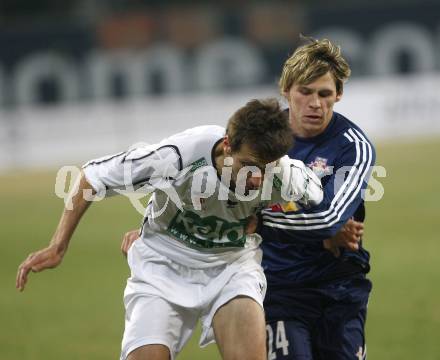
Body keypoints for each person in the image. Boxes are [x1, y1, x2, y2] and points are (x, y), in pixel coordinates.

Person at [16, 98, 323, 360]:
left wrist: (267, 220)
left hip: (231, 268)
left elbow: (320, 194)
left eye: (266, 169)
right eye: (248, 166)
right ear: (228, 145)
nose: (257, 179)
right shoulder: (177, 157)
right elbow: (93, 177)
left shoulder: (284, 174)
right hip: (163, 267)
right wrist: (58, 246)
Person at [261, 37, 376, 360]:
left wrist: (261, 223)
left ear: (338, 95)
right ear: (286, 90)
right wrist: (149, 229)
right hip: (279, 288)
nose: (315, 103)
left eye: (325, 94)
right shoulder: (258, 140)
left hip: (338, 287)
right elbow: (215, 195)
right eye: (305, 92)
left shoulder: (353, 146)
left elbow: (330, 218)